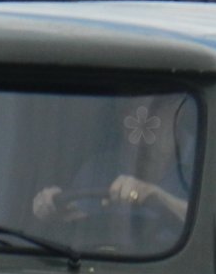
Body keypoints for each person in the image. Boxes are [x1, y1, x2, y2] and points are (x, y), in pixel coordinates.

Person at [31, 98, 193, 233]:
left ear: (178, 112)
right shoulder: (96, 169)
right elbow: (80, 227)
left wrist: (156, 197)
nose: (143, 122)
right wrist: (55, 207)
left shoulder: (207, 161)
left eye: (156, 108)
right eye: (130, 109)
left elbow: (210, 225)